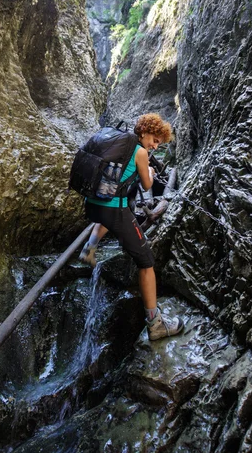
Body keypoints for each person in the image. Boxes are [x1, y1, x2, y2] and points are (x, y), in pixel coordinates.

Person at [79, 113, 184, 341]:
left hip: (93, 204)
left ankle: (89, 249)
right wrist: (150, 172)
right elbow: (147, 184)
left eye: (158, 143)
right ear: (144, 131)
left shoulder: (119, 141)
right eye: (154, 139)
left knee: (107, 217)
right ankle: (156, 324)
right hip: (114, 209)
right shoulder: (140, 152)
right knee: (147, 262)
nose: (155, 145)